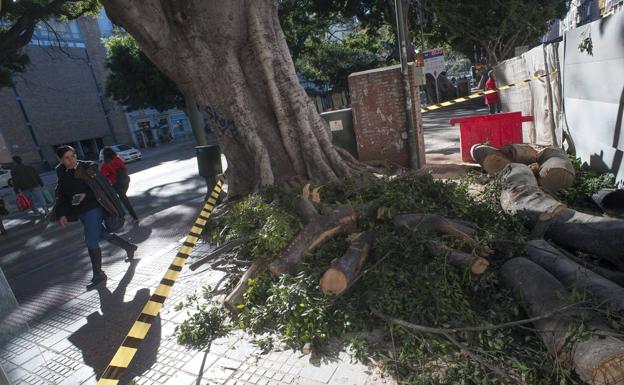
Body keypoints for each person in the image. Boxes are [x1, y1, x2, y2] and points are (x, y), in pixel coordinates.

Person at [52, 145, 137, 290]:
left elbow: (103, 188)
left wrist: (86, 194)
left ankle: (98, 274)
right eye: (66, 158)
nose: (71, 160)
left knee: (91, 240)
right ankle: (129, 247)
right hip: (81, 212)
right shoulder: (61, 172)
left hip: (94, 208)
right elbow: (62, 195)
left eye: (73, 155)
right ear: (60, 159)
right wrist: (62, 214)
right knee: (102, 234)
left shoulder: (88, 168)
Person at [100, 147, 139, 222]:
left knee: (119, 200)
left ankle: (128, 217)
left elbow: (103, 175)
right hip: (125, 181)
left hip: (116, 184)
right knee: (123, 198)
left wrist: (110, 175)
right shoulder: (118, 159)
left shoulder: (105, 164)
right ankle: (134, 217)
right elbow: (125, 168)